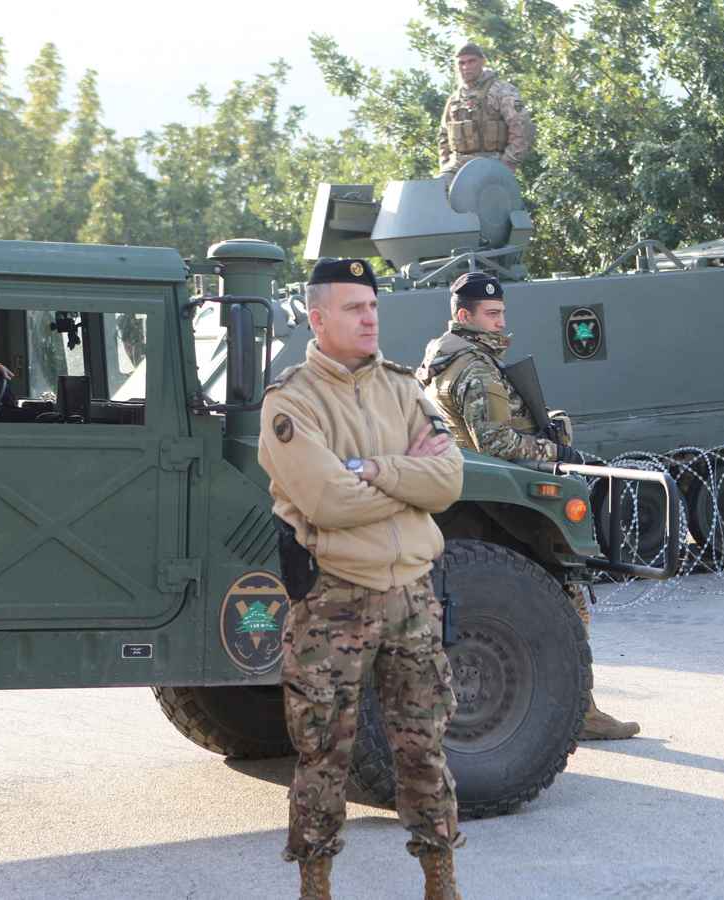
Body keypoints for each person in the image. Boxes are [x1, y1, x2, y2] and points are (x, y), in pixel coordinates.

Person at [259, 257, 466, 899]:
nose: (370, 317)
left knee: (424, 747)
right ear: (318, 318)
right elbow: (328, 501)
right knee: (324, 753)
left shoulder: (404, 388)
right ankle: (316, 885)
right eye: (354, 307)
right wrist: (407, 479)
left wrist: (372, 468)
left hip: (411, 596)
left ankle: (441, 882)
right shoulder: (292, 401)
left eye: (373, 305)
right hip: (334, 601)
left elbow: (449, 481)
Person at [415, 270, 642, 741]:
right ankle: (581, 711)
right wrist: (558, 452)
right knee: (566, 606)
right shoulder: (474, 368)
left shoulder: (438, 361)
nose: (501, 322)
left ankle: (566, 709)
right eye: (492, 314)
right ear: (465, 315)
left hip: (469, 502)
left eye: (501, 312)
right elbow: (496, 442)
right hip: (503, 506)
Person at [437, 42, 534, 177]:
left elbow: (522, 127)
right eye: (461, 63)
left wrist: (508, 162)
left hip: (491, 161)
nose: (466, 67)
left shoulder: (501, 91)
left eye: (471, 61)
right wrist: (445, 163)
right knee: (438, 185)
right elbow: (444, 136)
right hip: (457, 164)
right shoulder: (455, 99)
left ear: (482, 62)